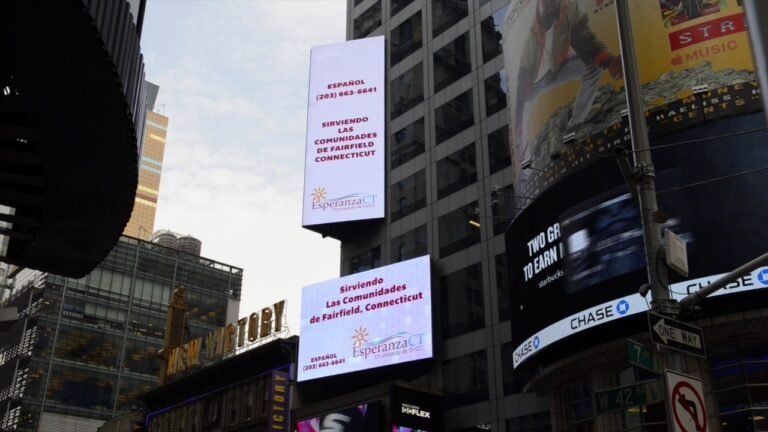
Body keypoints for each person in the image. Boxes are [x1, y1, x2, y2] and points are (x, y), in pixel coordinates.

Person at [513, 0, 623, 176]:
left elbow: (583, 37)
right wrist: (519, 125)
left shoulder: (568, 7)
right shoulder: (530, 41)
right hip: (537, 79)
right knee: (524, 108)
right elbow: (522, 84)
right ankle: (525, 164)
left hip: (558, 65)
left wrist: (609, 61)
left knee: (593, 68)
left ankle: (575, 127)